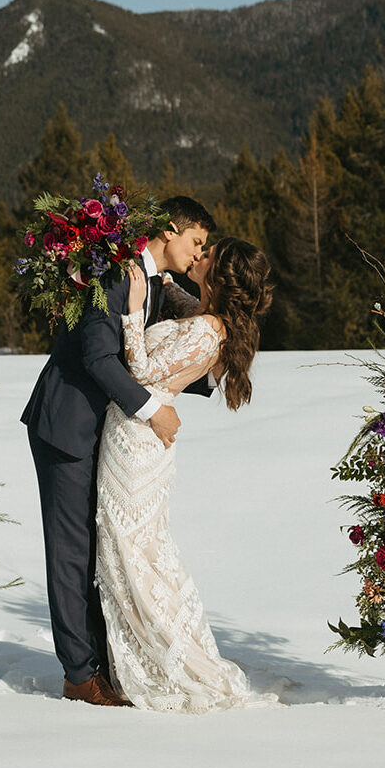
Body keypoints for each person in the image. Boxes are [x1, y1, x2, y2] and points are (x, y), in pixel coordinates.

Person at [21, 196, 216, 706]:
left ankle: (103, 661)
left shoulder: (153, 284)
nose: (199, 254)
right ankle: (80, 676)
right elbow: (99, 359)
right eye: (197, 242)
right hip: (66, 424)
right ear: (171, 230)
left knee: (100, 547)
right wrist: (155, 410)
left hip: (101, 434)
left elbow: (150, 352)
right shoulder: (116, 273)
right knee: (71, 552)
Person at [95, 235, 274, 712]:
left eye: (208, 255)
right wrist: (160, 282)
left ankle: (179, 663)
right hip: (132, 435)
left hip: (139, 440)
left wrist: (133, 312)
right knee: (133, 551)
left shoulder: (206, 330)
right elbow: (179, 306)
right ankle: (151, 655)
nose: (200, 255)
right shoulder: (204, 316)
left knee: (135, 554)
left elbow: (143, 372)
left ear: (219, 275)